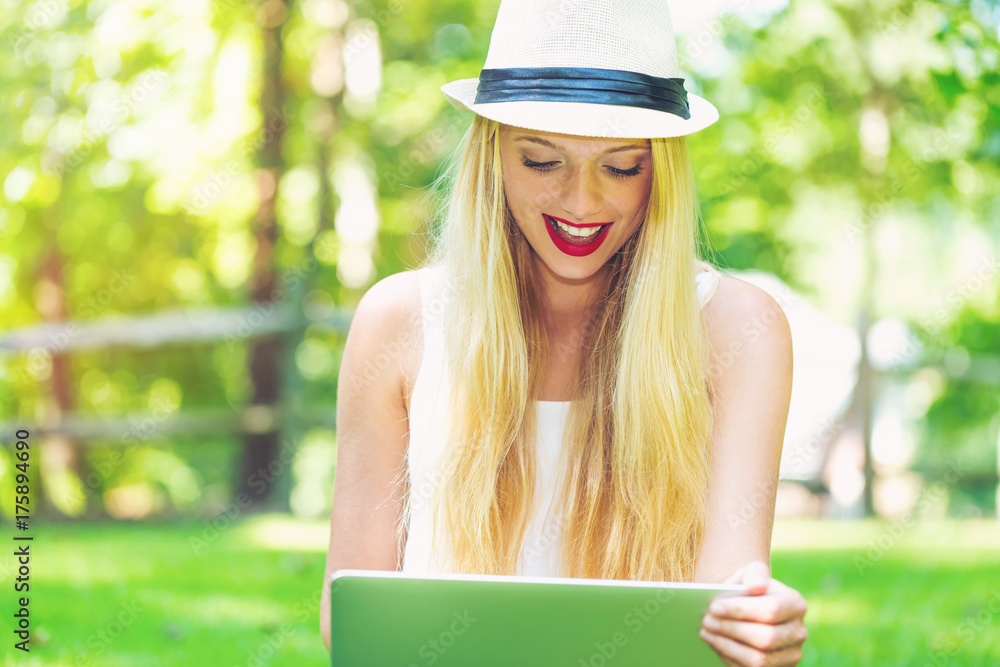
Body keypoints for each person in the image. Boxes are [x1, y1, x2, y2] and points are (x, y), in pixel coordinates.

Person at [321, 0, 809, 665]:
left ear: (661, 172)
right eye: (543, 162)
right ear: (492, 157)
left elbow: (729, 593)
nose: (581, 203)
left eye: (620, 166)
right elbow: (351, 613)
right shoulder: (398, 322)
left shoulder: (741, 329)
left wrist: (757, 624)